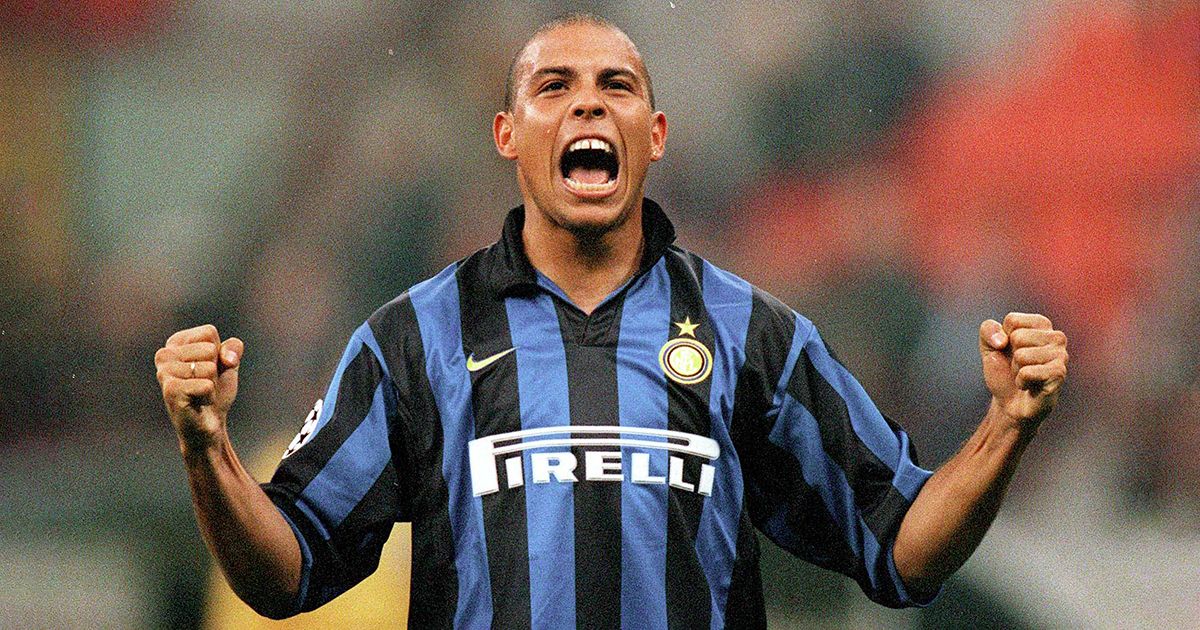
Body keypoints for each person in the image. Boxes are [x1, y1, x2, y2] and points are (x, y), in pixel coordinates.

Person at [154, 14, 1069, 629]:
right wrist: (207, 449)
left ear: (655, 133)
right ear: (509, 134)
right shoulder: (413, 339)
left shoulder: (754, 335)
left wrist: (1005, 428)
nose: (587, 101)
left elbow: (905, 547)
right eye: (554, 85)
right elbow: (283, 571)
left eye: (615, 85)